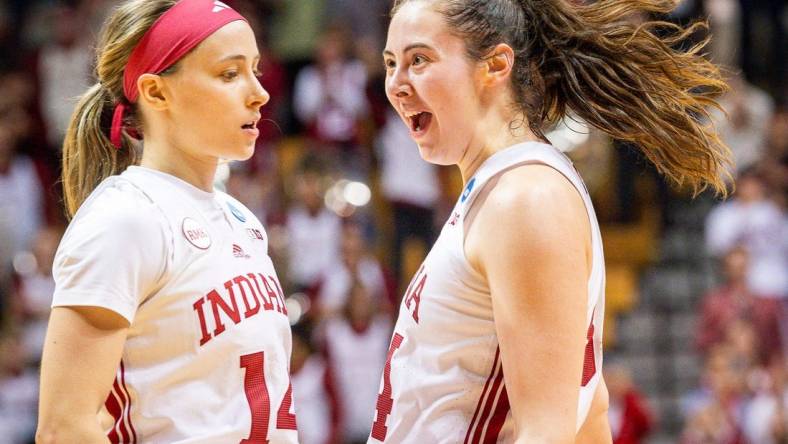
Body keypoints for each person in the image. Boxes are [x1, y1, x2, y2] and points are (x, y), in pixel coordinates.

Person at [372, 0, 732, 443]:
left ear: (496, 65)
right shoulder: (503, 192)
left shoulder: (523, 199)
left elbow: (546, 433)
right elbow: (590, 408)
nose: (396, 84)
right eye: (391, 64)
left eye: (418, 60)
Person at [36, 1, 297, 442]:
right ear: (156, 93)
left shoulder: (242, 220)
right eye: (229, 74)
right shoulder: (126, 218)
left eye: (255, 69)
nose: (259, 92)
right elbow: (64, 427)